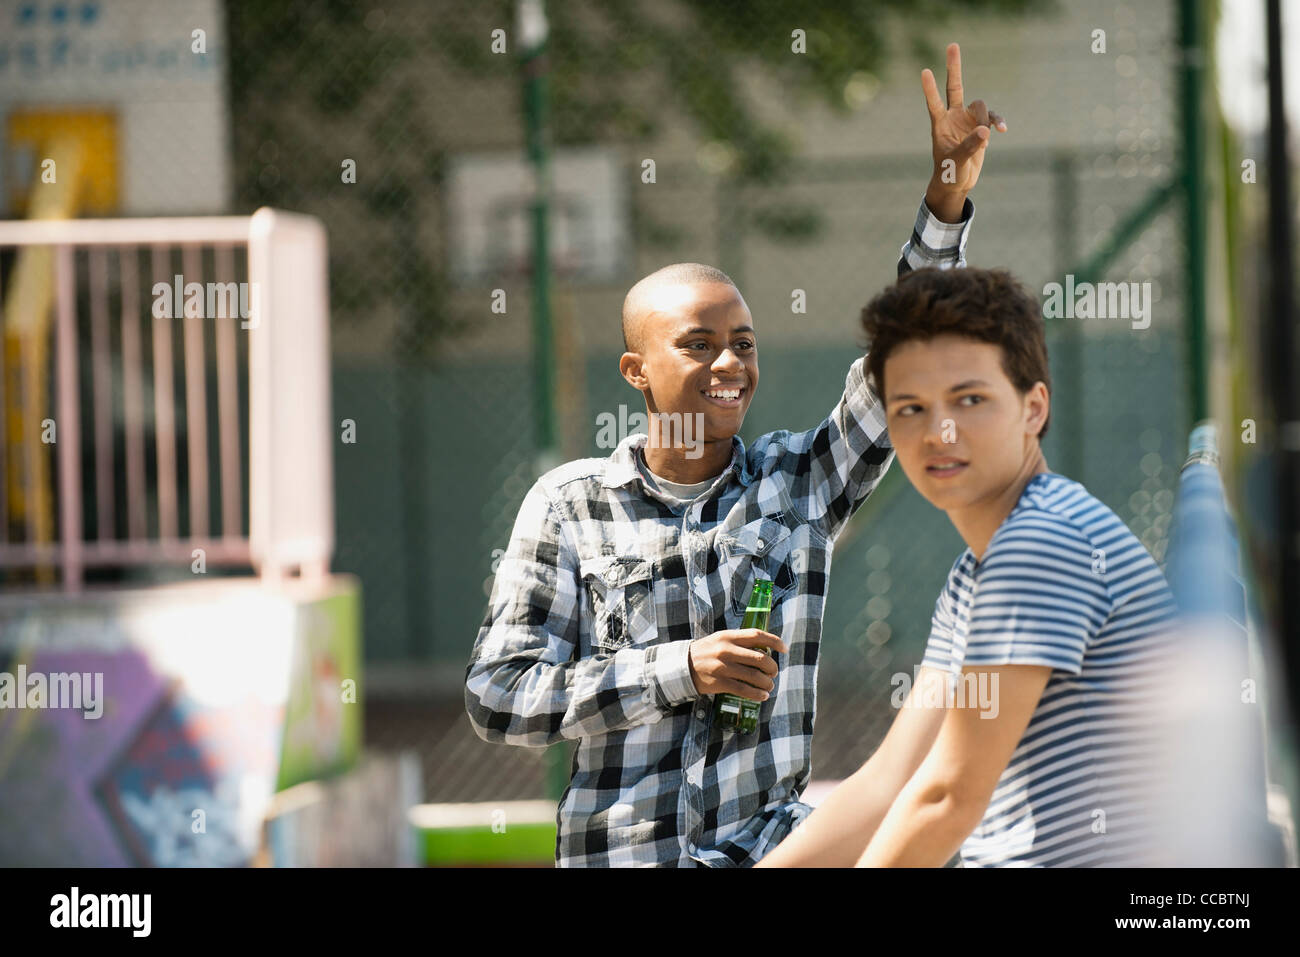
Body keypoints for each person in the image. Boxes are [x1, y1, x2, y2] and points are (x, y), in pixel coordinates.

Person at [466, 44, 1007, 867]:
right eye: (699, 344)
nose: (730, 365)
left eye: (743, 344)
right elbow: (498, 696)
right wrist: (680, 667)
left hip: (766, 850)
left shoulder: (798, 484)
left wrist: (944, 196)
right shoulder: (569, 506)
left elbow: (901, 353)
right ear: (636, 370)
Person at [756, 267, 1177, 867]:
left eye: (969, 399)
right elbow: (890, 783)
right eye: (911, 408)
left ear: (1033, 408)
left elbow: (947, 797)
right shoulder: (975, 571)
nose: (939, 431)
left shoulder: (1042, 543)